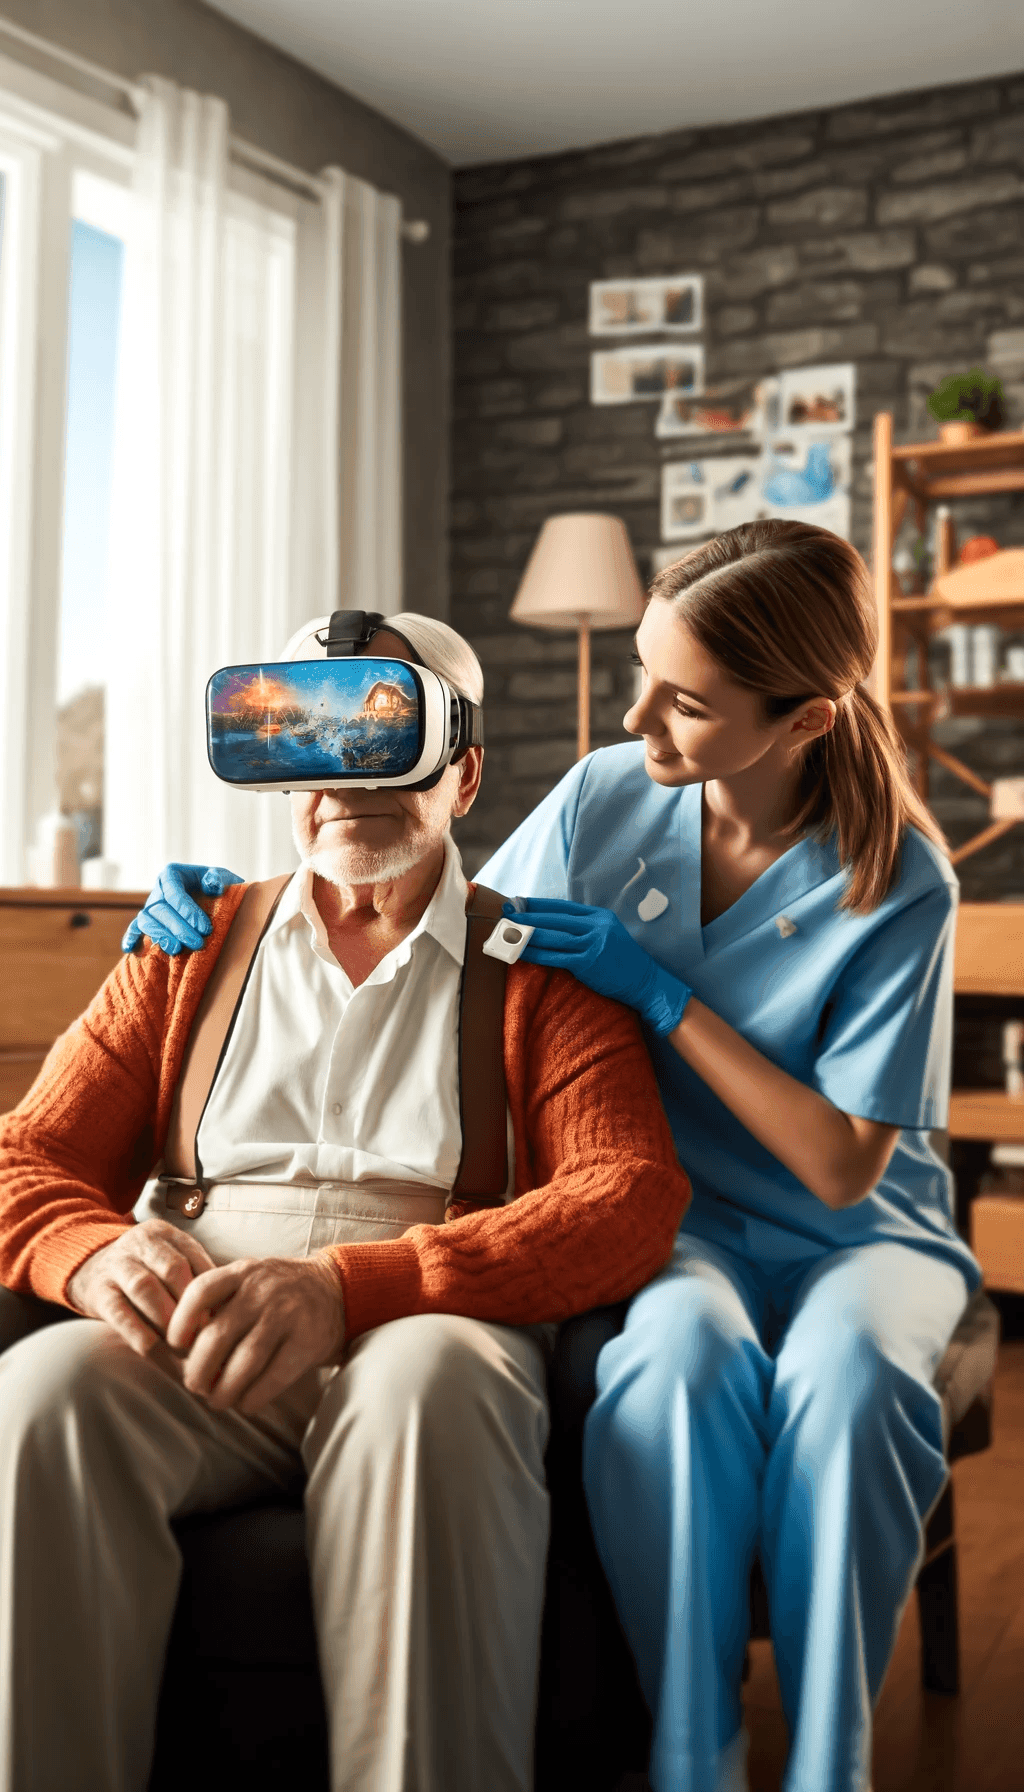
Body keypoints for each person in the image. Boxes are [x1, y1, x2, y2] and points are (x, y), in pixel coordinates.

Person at [141, 525, 981, 1792]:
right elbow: (445, 920)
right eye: (641, 669)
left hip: (859, 1238)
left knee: (851, 1390)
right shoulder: (607, 795)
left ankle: (828, 1761)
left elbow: (841, 1163)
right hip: (682, 1224)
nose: (634, 715)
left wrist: (659, 994)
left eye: (684, 699)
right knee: (674, 1371)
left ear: (802, 721)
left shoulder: (898, 876)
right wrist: (240, 911)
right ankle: (690, 1750)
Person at [0, 612, 692, 1792]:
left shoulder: (541, 968)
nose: (346, 781)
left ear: (464, 773)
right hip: (199, 1327)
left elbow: (623, 1193)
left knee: (426, 1391)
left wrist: (350, 1286)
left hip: (429, 1319)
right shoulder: (186, 944)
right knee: (44, 1390)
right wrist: (86, 1251)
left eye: (385, 737)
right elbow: (26, 1156)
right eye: (309, 744)